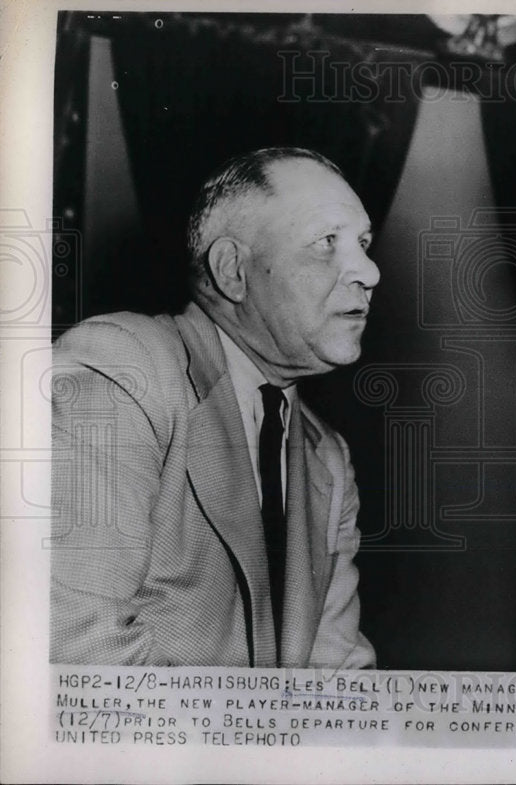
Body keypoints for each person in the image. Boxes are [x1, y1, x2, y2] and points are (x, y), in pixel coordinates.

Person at [50, 147, 379, 668]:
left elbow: (337, 683)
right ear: (232, 270)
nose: (369, 272)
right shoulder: (125, 369)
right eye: (327, 244)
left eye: (362, 244)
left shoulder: (327, 459)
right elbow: (77, 653)